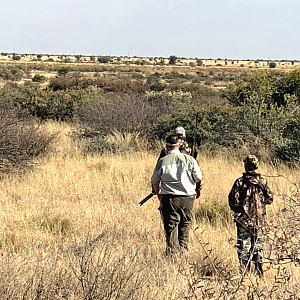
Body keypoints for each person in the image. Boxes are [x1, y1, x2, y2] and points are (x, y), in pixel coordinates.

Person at [151, 134, 203, 255]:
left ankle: (173, 255)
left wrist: (158, 192)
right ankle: (184, 252)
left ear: (166, 146)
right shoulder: (190, 160)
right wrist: (196, 189)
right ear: (179, 145)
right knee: (185, 224)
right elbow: (198, 177)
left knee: (171, 226)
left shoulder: (162, 161)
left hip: (169, 198)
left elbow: (154, 181)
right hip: (188, 198)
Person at [228, 155, 273, 277]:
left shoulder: (240, 182)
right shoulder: (262, 181)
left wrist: (240, 210)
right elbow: (270, 198)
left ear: (246, 166)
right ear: (257, 166)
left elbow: (232, 200)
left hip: (244, 220)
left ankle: (244, 274)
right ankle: (259, 272)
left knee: (244, 246)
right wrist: (260, 205)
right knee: (257, 245)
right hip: (259, 220)